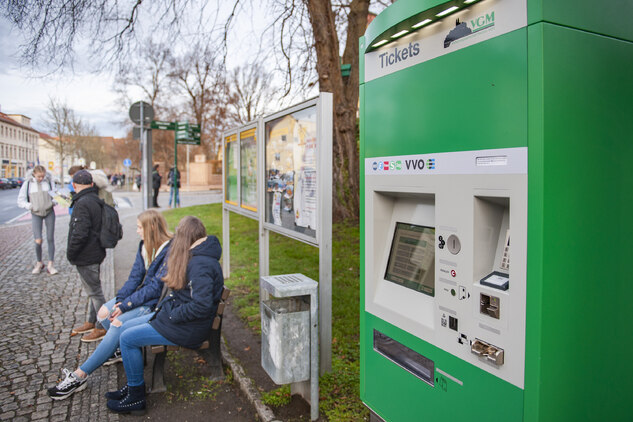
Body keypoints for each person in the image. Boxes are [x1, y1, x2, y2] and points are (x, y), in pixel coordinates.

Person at [47, 210, 172, 400]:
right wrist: (121, 300)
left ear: (152, 228)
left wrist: (125, 306)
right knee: (104, 312)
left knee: (116, 324)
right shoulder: (144, 245)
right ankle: (119, 350)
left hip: (152, 304)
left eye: (140, 227)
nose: (137, 231)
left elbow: (155, 290)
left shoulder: (168, 250)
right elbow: (134, 278)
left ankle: (79, 376)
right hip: (139, 297)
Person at [106, 216, 224, 415]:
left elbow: (201, 306)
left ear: (185, 237)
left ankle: (136, 397)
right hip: (176, 319)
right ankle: (134, 386)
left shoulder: (200, 264)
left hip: (187, 328)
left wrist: (173, 315)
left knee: (127, 339)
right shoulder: (199, 256)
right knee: (125, 328)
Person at [67, 170, 108, 342]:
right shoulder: (94, 199)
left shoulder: (82, 203)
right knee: (93, 291)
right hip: (96, 252)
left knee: (95, 292)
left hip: (87, 255)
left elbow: (80, 234)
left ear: (74, 185)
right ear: (91, 184)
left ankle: (103, 327)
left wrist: (70, 253)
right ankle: (92, 321)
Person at [17, 165, 58, 275]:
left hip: (49, 212)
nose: (41, 179)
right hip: (36, 213)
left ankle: (51, 264)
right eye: (39, 176)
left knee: (50, 238)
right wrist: (30, 206)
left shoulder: (49, 182)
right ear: (34, 174)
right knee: (38, 240)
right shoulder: (28, 184)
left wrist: (54, 202)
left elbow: (56, 196)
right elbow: (20, 200)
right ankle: (39, 262)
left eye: (42, 176)